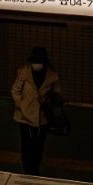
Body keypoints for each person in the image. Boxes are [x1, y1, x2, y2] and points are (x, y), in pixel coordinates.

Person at [11, 46, 60, 174]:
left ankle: (34, 169)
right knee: (27, 144)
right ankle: (28, 170)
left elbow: (57, 94)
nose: (36, 64)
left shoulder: (52, 75)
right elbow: (15, 90)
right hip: (24, 117)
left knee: (38, 145)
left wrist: (47, 99)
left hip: (41, 117)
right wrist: (22, 105)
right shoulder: (24, 72)